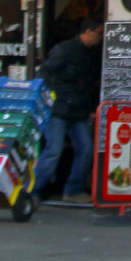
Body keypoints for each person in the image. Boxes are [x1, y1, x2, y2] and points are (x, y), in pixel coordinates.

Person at [36, 18, 104, 203]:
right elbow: (44, 73)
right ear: (88, 31)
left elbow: (90, 84)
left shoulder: (92, 54)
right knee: (54, 150)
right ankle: (32, 191)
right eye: (99, 33)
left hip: (77, 109)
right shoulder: (65, 50)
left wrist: (89, 106)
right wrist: (49, 98)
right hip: (58, 109)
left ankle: (73, 190)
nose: (101, 37)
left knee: (86, 149)